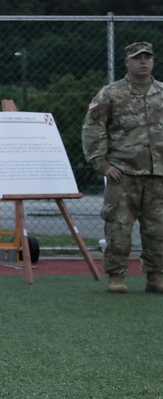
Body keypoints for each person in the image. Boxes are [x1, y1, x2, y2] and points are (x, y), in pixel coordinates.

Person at [81, 41, 163, 294]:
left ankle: (156, 276)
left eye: (147, 57)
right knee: (118, 227)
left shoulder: (162, 92)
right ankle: (116, 275)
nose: (143, 62)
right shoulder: (111, 93)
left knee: (158, 229)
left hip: (158, 174)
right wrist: (102, 164)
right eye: (138, 58)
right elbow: (93, 129)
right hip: (122, 173)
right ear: (127, 62)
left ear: (153, 61)